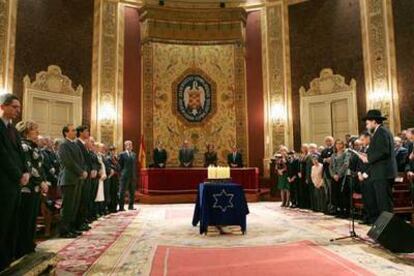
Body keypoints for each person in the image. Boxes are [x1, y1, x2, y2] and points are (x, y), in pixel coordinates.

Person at [0, 94, 29, 271]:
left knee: (12, 220)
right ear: (3, 106)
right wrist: (18, 174)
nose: (18, 111)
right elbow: (2, 155)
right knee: (2, 221)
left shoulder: (14, 130)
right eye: (14, 107)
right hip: (4, 182)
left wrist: (25, 171)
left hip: (16, 182)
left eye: (18, 107)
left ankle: (7, 257)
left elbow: (21, 154)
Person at [15, 120, 48, 258]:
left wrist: (44, 181)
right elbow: (29, 167)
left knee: (32, 218)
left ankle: (29, 243)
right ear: (27, 131)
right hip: (27, 188)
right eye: (35, 130)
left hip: (35, 187)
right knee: (25, 218)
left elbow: (39, 167)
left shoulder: (34, 146)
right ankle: (22, 246)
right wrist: (40, 182)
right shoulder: (23, 146)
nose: (38, 133)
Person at [359, 109, 397, 222]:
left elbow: (383, 151)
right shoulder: (379, 132)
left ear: (374, 121)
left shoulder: (382, 132)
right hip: (379, 173)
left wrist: (368, 158)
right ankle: (385, 233)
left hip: (383, 173)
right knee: (381, 204)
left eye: (367, 123)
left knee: (385, 204)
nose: (366, 125)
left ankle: (389, 233)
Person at [58, 124, 87, 238]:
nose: (75, 132)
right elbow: (68, 162)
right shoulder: (64, 145)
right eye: (73, 130)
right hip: (68, 179)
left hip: (77, 179)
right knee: (68, 206)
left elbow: (81, 160)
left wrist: (83, 171)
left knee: (74, 206)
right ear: (66, 133)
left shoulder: (74, 144)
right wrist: (81, 172)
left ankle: (71, 228)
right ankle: (64, 230)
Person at [75, 125, 94, 231]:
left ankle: (82, 221)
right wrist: (85, 170)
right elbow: (80, 161)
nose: (88, 133)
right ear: (81, 132)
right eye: (86, 131)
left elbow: (89, 160)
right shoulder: (77, 144)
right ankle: (79, 223)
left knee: (86, 199)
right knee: (81, 200)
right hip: (82, 176)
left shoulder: (85, 145)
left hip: (87, 176)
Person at [329, 139, 350, 218]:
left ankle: (345, 212)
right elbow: (330, 166)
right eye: (337, 144)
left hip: (343, 177)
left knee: (343, 194)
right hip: (334, 177)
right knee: (336, 194)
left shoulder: (346, 153)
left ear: (343, 144)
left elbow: (346, 164)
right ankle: (339, 210)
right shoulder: (333, 155)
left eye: (340, 143)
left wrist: (338, 174)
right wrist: (333, 175)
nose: (338, 145)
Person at [118, 140, 137, 211]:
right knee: (122, 192)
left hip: (132, 176)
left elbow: (134, 165)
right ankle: (121, 207)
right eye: (128, 144)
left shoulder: (134, 154)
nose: (130, 146)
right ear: (125, 146)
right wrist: (122, 174)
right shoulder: (122, 154)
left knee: (132, 192)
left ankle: (131, 206)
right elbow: (120, 166)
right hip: (124, 176)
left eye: (131, 144)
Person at [319, 136, 334, 214]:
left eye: (330, 141)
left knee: (331, 191)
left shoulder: (334, 149)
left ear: (332, 141)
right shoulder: (324, 150)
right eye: (327, 141)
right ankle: (327, 207)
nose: (328, 142)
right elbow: (319, 159)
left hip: (331, 173)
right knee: (326, 190)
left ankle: (331, 207)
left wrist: (330, 160)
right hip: (324, 172)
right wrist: (325, 160)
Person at [107, 145, 120, 213]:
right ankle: (110, 208)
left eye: (114, 150)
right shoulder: (108, 158)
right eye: (112, 150)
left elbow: (118, 167)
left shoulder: (115, 158)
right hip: (111, 177)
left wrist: (115, 167)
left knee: (115, 192)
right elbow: (109, 166)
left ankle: (114, 207)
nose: (113, 152)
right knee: (111, 193)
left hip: (116, 177)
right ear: (109, 151)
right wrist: (115, 168)